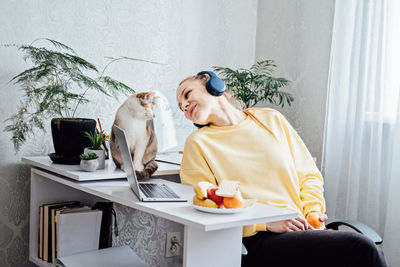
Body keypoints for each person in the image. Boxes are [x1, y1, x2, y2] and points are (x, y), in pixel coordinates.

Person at [176, 71, 387, 267]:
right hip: (256, 239)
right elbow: (205, 206)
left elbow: (308, 175)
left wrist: (313, 211)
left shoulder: (270, 119)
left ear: (213, 84)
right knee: (361, 248)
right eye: (181, 107)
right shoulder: (197, 143)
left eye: (187, 95)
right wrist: (264, 223)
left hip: (302, 228)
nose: (185, 107)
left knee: (367, 251)